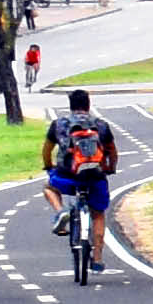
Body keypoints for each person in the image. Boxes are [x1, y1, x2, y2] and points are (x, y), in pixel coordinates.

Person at [39, 90, 120, 256]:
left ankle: (61, 212)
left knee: (48, 187)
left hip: (67, 176)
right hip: (95, 177)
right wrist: (110, 168)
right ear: (88, 105)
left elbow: (46, 151)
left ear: (71, 106)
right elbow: (112, 152)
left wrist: (49, 166)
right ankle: (97, 257)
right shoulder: (101, 125)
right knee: (97, 214)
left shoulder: (59, 124)